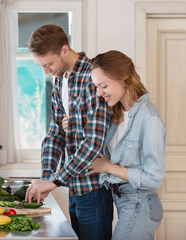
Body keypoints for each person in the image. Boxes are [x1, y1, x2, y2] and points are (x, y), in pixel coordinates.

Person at [25, 25, 113, 240]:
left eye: (48, 64)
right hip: (75, 186)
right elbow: (54, 134)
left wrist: (55, 181)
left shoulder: (93, 77)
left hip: (94, 189)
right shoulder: (60, 80)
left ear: (65, 50)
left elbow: (93, 143)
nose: (45, 71)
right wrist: (46, 179)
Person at [82, 50, 166, 239]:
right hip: (124, 202)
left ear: (123, 79)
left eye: (103, 86)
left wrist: (108, 167)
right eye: (96, 86)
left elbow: (154, 178)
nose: (99, 93)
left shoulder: (149, 119)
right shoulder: (117, 113)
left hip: (141, 204)